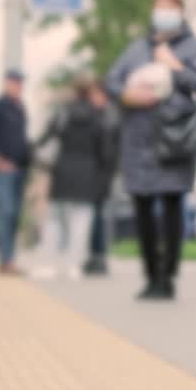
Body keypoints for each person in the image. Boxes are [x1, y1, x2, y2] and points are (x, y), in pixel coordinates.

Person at [105, 0, 196, 301]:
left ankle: (167, 277)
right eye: (159, 7)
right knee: (141, 205)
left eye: (170, 7)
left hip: (174, 138)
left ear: (180, 11)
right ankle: (151, 275)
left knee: (171, 204)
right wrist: (128, 95)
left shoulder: (193, 46)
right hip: (138, 140)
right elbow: (112, 81)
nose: (163, 12)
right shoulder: (137, 48)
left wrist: (174, 67)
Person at [30, 75, 117, 279]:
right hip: (88, 174)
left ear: (73, 91)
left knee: (54, 221)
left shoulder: (63, 113)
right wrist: (104, 176)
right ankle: (74, 266)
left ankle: (48, 265)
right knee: (81, 223)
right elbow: (106, 152)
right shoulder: (98, 117)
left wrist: (32, 154)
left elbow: (44, 139)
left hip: (62, 172)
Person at [0, 69, 30, 276]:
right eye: (14, 82)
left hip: (20, 169)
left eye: (20, 82)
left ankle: (9, 260)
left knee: (14, 216)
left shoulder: (20, 108)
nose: (18, 86)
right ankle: (5, 260)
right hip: (2, 170)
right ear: (6, 83)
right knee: (7, 212)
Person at [82, 82, 118, 276]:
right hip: (91, 173)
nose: (93, 99)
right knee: (92, 216)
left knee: (99, 216)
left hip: (103, 173)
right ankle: (93, 256)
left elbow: (110, 149)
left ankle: (100, 257)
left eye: (96, 95)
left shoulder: (109, 116)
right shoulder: (94, 116)